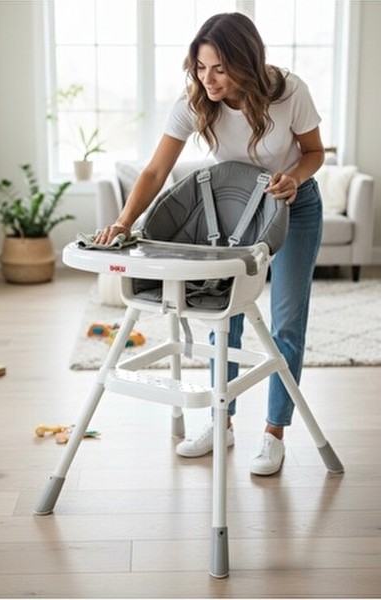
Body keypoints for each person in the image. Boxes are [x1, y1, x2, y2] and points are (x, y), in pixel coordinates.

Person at [94, 12, 325, 476]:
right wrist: (122, 222)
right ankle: (222, 423)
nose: (208, 78)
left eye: (219, 68)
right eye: (200, 67)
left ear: (246, 62)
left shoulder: (289, 92)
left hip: (294, 207)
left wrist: (294, 177)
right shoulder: (195, 102)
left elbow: (315, 152)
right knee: (224, 318)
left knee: (286, 323)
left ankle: (274, 434)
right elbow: (155, 171)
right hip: (235, 216)